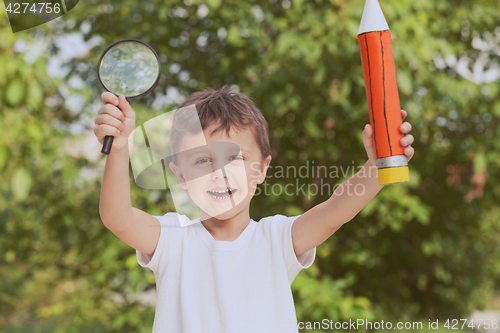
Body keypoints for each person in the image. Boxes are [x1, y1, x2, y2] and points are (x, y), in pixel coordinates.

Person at [93, 85, 415, 333]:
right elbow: (117, 218)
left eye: (234, 158)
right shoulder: (173, 238)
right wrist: (119, 149)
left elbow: (335, 211)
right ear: (181, 176)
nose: (219, 172)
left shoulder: (274, 239)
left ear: (261, 169)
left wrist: (377, 167)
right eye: (202, 160)